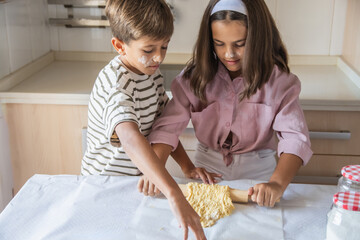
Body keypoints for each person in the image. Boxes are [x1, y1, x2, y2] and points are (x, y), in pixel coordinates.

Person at [145, 0, 313, 208]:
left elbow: (295, 138)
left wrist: (276, 184)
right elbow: (167, 130)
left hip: (259, 173)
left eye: (240, 44)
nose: (229, 54)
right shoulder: (192, 79)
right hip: (208, 171)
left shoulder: (280, 82)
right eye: (219, 43)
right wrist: (154, 169)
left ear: (257, 37)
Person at [81, 0, 217, 239]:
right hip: (105, 185)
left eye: (164, 46)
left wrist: (187, 166)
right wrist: (174, 194)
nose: (158, 57)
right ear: (119, 46)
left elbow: (165, 125)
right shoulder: (115, 85)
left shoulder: (150, 75)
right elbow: (130, 137)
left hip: (135, 183)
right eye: (149, 49)